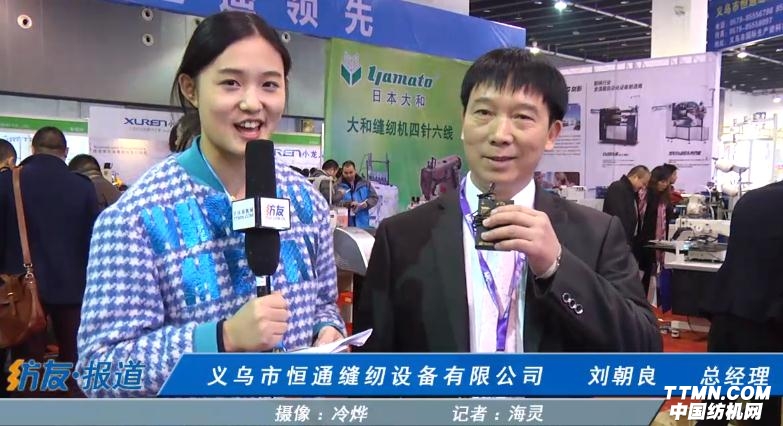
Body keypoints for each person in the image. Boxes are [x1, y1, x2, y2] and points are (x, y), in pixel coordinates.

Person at [76, 11, 345, 398]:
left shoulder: (307, 202)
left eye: (269, 84)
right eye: (231, 83)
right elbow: (100, 371)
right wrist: (222, 338)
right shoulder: (135, 218)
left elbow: (323, 304)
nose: (252, 103)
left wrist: (327, 329)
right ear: (191, 89)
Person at [354, 48, 661, 353]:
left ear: (552, 134)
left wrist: (556, 266)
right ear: (463, 121)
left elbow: (643, 346)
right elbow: (373, 366)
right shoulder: (401, 238)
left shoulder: (597, 234)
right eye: (484, 113)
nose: (500, 134)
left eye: (522, 117)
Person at [0, 126, 99, 397]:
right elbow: (93, 241)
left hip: (22, 292)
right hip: (74, 290)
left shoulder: (9, 182)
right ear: (65, 152)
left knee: (27, 366)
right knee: (74, 363)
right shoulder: (83, 187)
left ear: (32, 149)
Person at [697, 180, 782, 426]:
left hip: (726, 309)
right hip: (767, 320)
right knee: (763, 411)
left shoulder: (751, 199)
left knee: (714, 407)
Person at [636, 166, 675, 297]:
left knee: (650, 274)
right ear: (655, 180)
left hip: (658, 241)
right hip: (644, 241)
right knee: (642, 273)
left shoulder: (665, 198)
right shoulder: (644, 195)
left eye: (666, 182)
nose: (664, 184)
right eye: (662, 181)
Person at [602, 165, 650, 247]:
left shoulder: (632, 192)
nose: (643, 187)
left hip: (628, 241)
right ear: (635, 177)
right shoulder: (618, 188)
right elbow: (618, 217)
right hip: (618, 242)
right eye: (643, 183)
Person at [338, 160, 378, 228]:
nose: (348, 175)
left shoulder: (365, 183)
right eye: (346, 173)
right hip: (345, 225)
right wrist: (347, 204)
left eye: (351, 172)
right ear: (342, 172)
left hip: (363, 223)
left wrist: (366, 204)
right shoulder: (337, 185)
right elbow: (333, 203)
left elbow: (374, 197)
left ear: (355, 171)